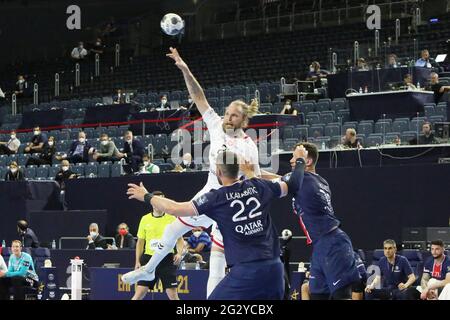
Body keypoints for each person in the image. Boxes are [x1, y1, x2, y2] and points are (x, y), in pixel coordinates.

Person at [121, 47, 262, 298]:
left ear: (244, 121)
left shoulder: (249, 146)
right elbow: (199, 97)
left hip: (230, 205)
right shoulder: (218, 126)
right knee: (173, 229)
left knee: (216, 263)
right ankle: (149, 269)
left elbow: (257, 180)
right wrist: (185, 69)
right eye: (228, 112)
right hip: (210, 194)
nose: (228, 117)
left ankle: (153, 271)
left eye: (234, 115)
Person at [123, 148, 308, 299]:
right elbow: (294, 184)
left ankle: (148, 269)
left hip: (246, 271)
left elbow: (175, 209)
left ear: (218, 172)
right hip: (275, 269)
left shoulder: (216, 198)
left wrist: (146, 196)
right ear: (239, 170)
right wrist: (300, 160)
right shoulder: (259, 186)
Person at [259, 142, 361, 299]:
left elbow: (278, 181)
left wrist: (251, 172)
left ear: (307, 161)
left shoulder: (304, 180)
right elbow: (282, 179)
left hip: (332, 244)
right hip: (321, 245)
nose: (292, 161)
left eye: (295, 157)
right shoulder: (318, 180)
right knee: (317, 295)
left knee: (341, 296)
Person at [132, 191, 184, 300]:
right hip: (148, 259)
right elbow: (140, 242)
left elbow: (180, 239)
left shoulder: (171, 218)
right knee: (139, 293)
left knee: (173, 295)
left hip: (166, 260)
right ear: (152, 202)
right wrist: (137, 261)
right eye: (157, 201)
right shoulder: (145, 219)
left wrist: (179, 253)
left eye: (161, 201)